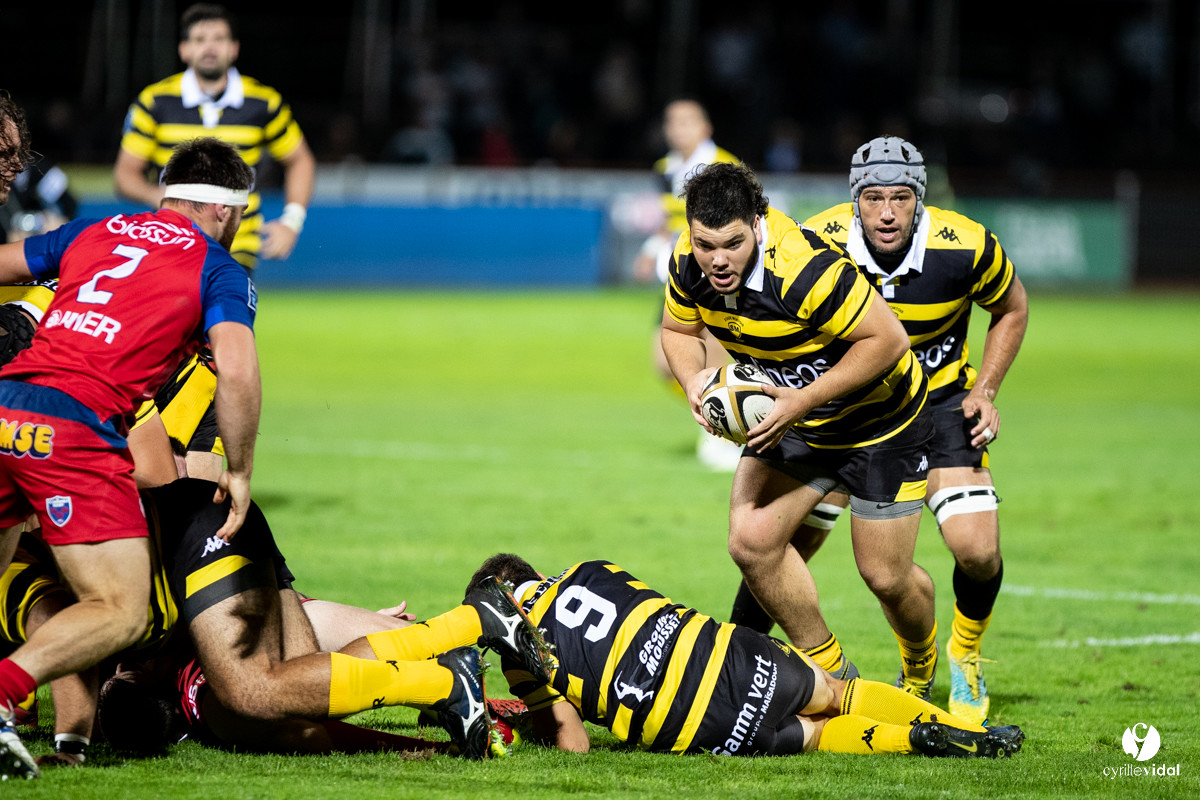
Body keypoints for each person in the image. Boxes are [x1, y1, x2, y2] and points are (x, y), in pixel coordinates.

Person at [731, 137, 1028, 724]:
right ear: (854, 201)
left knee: (976, 550)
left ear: (919, 199)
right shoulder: (817, 239)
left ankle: (964, 656)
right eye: (872, 198)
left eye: (899, 197)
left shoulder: (966, 245)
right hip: (852, 409)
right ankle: (737, 664)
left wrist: (984, 389)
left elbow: (1012, 307)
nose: (886, 212)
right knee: (772, 543)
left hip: (942, 404)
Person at [0, 136, 262, 779]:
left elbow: (5, 261)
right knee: (121, 610)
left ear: (168, 193)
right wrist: (240, 468)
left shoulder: (95, 229)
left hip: (5, 402)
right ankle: (4, 695)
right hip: (74, 425)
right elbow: (235, 366)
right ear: (227, 211)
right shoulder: (218, 268)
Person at [0, 478, 555, 766]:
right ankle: (463, 655)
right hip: (204, 566)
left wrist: (72, 742)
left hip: (199, 549)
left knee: (252, 694)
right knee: (278, 691)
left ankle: (449, 676)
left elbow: (60, 632)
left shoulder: (22, 571)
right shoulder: (192, 699)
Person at [660, 161, 938, 694]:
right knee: (751, 540)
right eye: (705, 244)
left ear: (759, 224)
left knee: (885, 575)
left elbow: (888, 341)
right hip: (794, 419)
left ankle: (920, 670)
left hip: (882, 423)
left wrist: (801, 400)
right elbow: (677, 328)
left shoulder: (806, 270)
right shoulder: (686, 261)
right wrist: (695, 380)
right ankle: (840, 682)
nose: (717, 260)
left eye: (733, 244)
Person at [464, 553, 1025, 759]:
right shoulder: (591, 569)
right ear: (534, 575)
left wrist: (537, 710)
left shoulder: (521, 652)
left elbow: (574, 743)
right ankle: (966, 732)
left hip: (697, 724)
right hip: (729, 654)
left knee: (820, 735)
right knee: (838, 694)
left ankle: (908, 742)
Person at [113, 3, 315, 272]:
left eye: (219, 39)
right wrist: (160, 196)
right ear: (183, 49)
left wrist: (292, 221)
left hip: (237, 244)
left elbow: (300, 160)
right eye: (199, 39)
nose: (209, 47)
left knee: (225, 312)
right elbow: (124, 176)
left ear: (234, 48)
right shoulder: (154, 103)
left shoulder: (263, 102)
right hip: (170, 240)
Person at [632, 98, 743, 471]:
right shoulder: (664, 167)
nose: (678, 130)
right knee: (665, 364)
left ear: (705, 128)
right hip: (678, 278)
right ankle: (720, 415)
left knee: (712, 360)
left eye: (687, 122)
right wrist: (651, 249)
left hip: (715, 278)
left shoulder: (724, 167)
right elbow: (670, 219)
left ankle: (727, 434)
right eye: (672, 123)